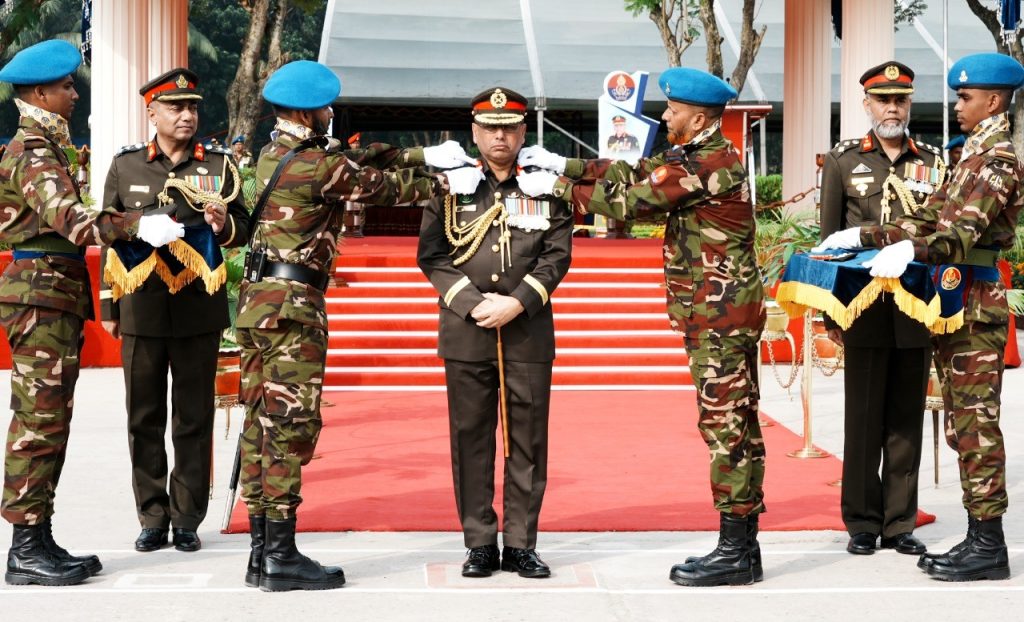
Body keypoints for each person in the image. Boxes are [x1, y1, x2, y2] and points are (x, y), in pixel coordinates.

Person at [236, 59, 481, 591]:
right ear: (309, 112)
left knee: (260, 424)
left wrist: (419, 153)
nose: (331, 114)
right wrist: (446, 179)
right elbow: (383, 186)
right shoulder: (316, 167)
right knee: (290, 427)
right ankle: (280, 556)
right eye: (325, 107)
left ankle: (260, 552)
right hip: (292, 308)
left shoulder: (277, 153)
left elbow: (358, 154)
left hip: (259, 304)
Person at [517, 67, 766, 587]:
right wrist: (567, 163)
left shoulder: (710, 164)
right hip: (716, 312)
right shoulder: (691, 155)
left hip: (720, 316)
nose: (666, 117)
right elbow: (633, 171)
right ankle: (741, 547)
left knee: (727, 428)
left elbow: (629, 202)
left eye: (674, 111)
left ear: (699, 117)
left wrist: (557, 187)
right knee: (733, 425)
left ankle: (736, 551)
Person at [818, 52, 1024, 582]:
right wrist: (864, 236)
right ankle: (978, 537)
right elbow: (928, 217)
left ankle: (988, 544)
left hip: (972, 306)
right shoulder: (973, 154)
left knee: (975, 427)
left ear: (993, 102)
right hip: (951, 308)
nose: (957, 105)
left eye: (965, 97)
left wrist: (908, 249)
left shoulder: (996, 159)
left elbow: (958, 236)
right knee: (961, 425)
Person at [0, 39, 183, 586]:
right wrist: (137, 224)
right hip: (39, 297)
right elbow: (72, 221)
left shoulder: (46, 146)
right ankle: (25, 548)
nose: (73, 94)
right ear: (39, 94)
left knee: (50, 420)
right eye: (65, 86)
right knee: (38, 422)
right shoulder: (33, 152)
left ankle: (38, 536)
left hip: (49, 295)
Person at [417, 87, 573, 580]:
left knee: (528, 439)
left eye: (508, 128)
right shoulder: (450, 185)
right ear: (474, 132)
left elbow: (557, 255)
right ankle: (480, 541)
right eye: (489, 128)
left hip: (526, 328)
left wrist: (518, 301)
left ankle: (522, 543)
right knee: (471, 439)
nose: (499, 136)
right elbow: (431, 255)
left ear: (523, 132)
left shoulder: (545, 186)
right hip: (467, 329)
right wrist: (472, 302)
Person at [99, 68, 250, 555]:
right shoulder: (127, 165)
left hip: (197, 308)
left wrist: (223, 225)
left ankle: (187, 518)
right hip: (141, 307)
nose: (186, 115)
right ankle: (152, 516)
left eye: (192, 107)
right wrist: (108, 303)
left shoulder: (220, 165)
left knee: (193, 417)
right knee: (143, 417)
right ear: (153, 113)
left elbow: (244, 228)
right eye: (175, 107)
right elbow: (105, 229)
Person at [819, 61, 941, 557]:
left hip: (915, 307)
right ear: (866, 103)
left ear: (909, 104)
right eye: (883, 100)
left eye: (900, 100)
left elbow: (940, 235)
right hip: (863, 307)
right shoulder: (843, 160)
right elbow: (829, 240)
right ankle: (863, 523)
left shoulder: (932, 161)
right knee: (864, 418)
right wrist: (831, 312)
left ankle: (900, 523)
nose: (893, 108)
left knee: (906, 420)